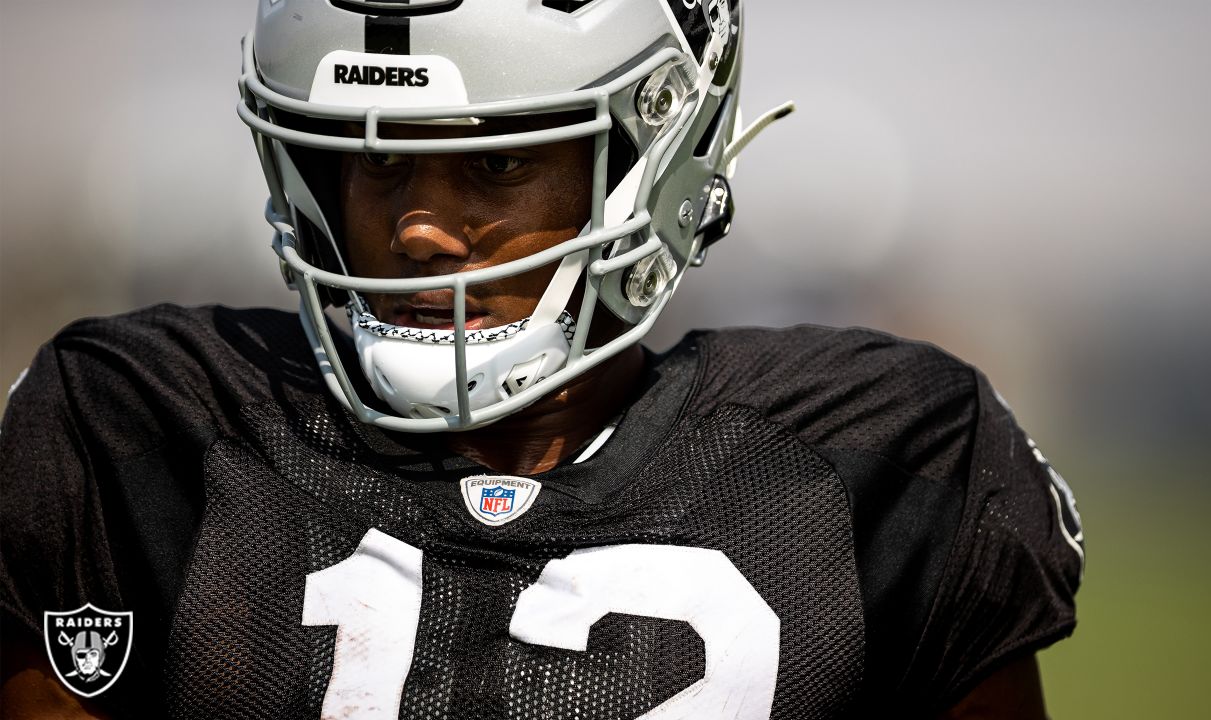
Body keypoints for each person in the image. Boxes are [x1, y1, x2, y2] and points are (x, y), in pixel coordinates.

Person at [0, 0, 1084, 717]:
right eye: (372, 167)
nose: (418, 229)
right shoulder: (138, 431)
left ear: (656, 149)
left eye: (498, 161)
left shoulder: (881, 462)